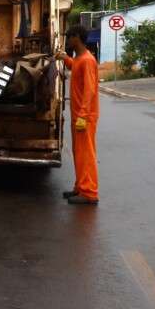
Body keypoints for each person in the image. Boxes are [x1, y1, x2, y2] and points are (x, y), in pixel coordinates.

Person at [55, 25, 99, 205]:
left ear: (77, 38)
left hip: (84, 116)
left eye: (69, 37)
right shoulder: (80, 59)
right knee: (78, 153)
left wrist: (82, 115)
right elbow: (76, 67)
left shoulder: (88, 60)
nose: (67, 40)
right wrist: (65, 58)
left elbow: (89, 91)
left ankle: (89, 193)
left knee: (86, 154)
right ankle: (80, 187)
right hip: (79, 115)